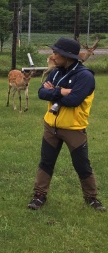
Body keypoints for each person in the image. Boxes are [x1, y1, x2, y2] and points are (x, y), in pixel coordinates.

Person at [28, 37, 105, 211]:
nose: (53, 56)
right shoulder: (56, 72)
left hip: (74, 129)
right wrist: (61, 91)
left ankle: (91, 198)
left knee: (82, 165)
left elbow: (74, 100)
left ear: (67, 56)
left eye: (56, 52)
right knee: (46, 162)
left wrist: (52, 91)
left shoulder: (85, 76)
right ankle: (39, 195)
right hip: (51, 126)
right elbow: (41, 93)